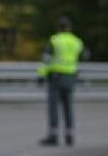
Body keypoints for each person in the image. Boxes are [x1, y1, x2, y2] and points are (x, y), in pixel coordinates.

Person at [37, 16, 88, 146]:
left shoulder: (55, 40)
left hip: (56, 77)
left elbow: (46, 58)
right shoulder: (76, 41)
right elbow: (86, 55)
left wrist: (41, 75)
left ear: (58, 28)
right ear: (69, 28)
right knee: (68, 106)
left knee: (54, 107)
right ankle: (69, 135)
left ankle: (53, 136)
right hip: (70, 78)